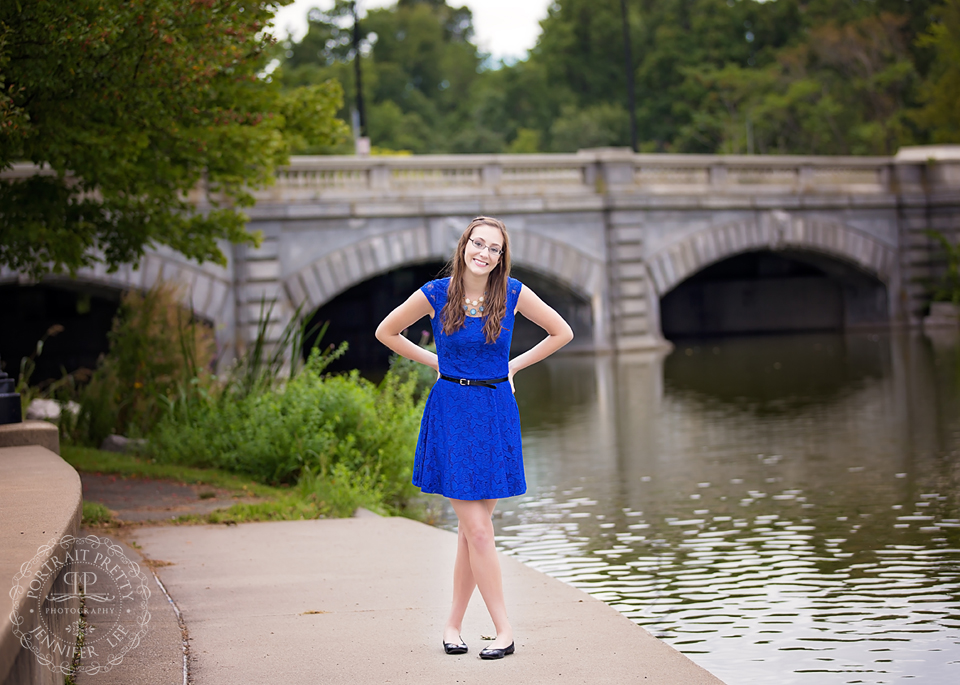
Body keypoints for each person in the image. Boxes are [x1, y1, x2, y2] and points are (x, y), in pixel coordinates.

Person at [375, 216, 574, 660]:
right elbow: (386, 332)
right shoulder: (434, 293)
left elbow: (562, 332)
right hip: (452, 411)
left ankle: (451, 625)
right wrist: (436, 362)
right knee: (479, 531)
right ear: (464, 245)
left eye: (494, 248)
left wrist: (515, 366)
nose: (484, 253)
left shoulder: (514, 293)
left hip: (497, 411)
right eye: (478, 244)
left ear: (501, 256)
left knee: (472, 530)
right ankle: (504, 630)